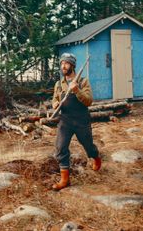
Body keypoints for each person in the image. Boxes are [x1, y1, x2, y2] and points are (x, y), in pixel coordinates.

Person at [51, 53, 101, 191]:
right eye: (62, 63)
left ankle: (95, 157)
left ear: (72, 65)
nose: (63, 66)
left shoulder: (83, 81)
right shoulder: (59, 84)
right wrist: (55, 103)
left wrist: (76, 90)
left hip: (81, 120)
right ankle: (64, 180)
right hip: (65, 120)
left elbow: (88, 101)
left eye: (66, 63)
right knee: (60, 147)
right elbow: (54, 98)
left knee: (88, 145)